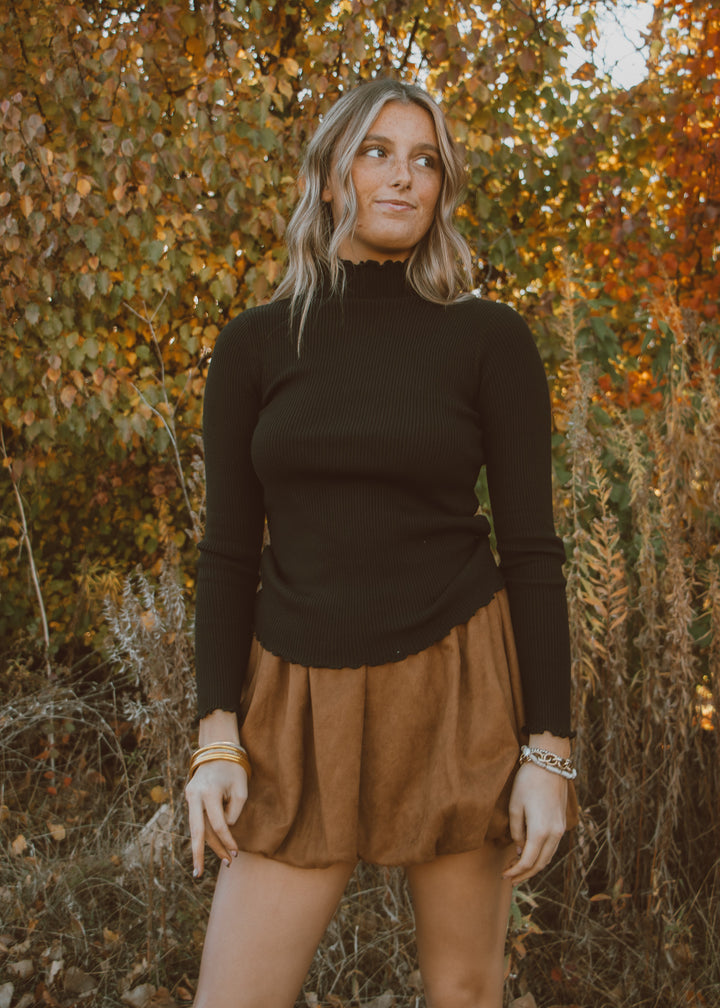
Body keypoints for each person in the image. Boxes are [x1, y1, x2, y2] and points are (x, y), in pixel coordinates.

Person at [185, 77, 577, 1008]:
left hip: (455, 683)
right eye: (376, 152)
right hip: (295, 690)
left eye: (425, 160)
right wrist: (216, 736)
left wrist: (547, 754)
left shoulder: (487, 339)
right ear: (329, 176)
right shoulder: (253, 346)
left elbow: (531, 550)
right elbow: (227, 554)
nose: (402, 177)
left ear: (442, 189)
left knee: (465, 990)